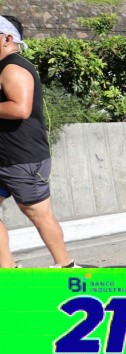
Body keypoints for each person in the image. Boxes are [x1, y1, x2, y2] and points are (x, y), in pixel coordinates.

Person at [0, 16, 79, 269]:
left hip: (23, 158)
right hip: (5, 157)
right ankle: (7, 271)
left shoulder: (13, 68)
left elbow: (20, 108)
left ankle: (65, 266)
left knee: (38, 214)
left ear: (7, 38)